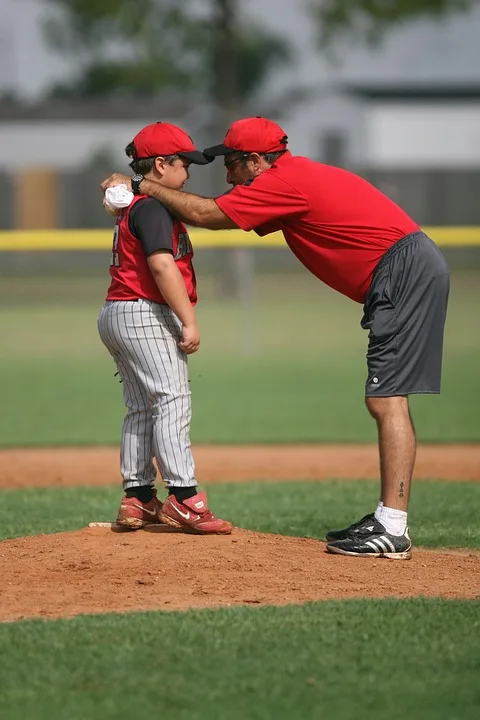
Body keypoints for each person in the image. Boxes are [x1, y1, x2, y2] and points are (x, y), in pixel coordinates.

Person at [101, 116, 450, 559]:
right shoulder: (293, 177)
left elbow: (209, 213)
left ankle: (393, 526)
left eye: (231, 163)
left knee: (387, 399)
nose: (227, 175)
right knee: (385, 398)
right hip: (404, 269)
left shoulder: (283, 181)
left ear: (255, 161)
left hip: (403, 272)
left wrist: (142, 187)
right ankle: (388, 518)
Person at [98, 121, 232, 534]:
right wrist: (189, 320)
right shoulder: (153, 207)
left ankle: (138, 498)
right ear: (160, 165)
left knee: (141, 406)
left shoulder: (138, 205)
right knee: (172, 399)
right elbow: (161, 264)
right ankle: (184, 498)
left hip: (116, 311)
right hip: (143, 312)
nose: (188, 173)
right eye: (183, 164)